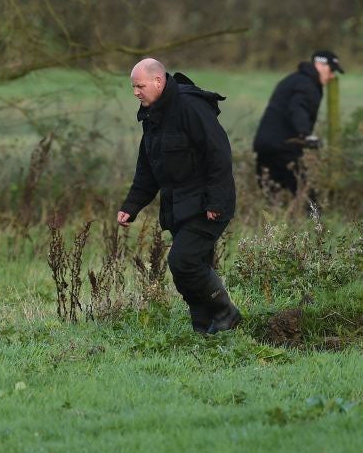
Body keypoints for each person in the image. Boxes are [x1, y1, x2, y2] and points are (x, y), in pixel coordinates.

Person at [117, 58, 239, 334]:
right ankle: (205, 329)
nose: (135, 92)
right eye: (133, 87)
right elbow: (148, 168)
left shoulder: (190, 106)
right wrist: (132, 205)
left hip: (208, 204)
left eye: (140, 86)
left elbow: (218, 154)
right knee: (193, 269)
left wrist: (216, 202)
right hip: (179, 206)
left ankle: (225, 313)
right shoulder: (152, 115)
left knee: (183, 262)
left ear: (158, 81)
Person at [253, 50, 343, 198]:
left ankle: (272, 220)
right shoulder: (309, 85)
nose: (332, 76)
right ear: (319, 65)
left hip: (265, 144)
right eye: (332, 70)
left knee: (272, 197)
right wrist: (306, 135)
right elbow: (298, 108)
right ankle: (316, 221)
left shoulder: (294, 79)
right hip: (284, 147)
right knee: (307, 196)